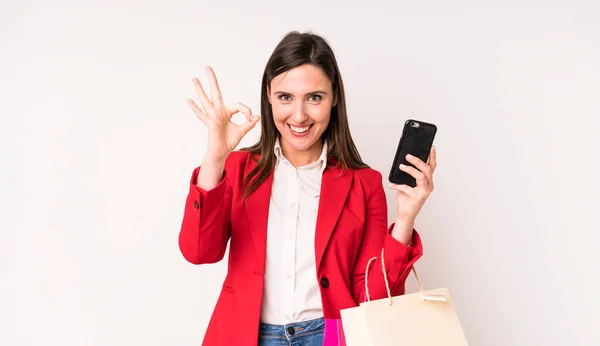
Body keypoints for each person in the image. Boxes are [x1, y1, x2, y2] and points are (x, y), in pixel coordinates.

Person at [178, 31, 437, 346]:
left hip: (329, 336)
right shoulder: (237, 168)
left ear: (334, 98)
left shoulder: (363, 184)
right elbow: (199, 252)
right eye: (286, 97)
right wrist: (215, 159)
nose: (299, 116)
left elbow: (374, 298)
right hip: (247, 335)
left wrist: (406, 220)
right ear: (269, 96)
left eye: (314, 97)